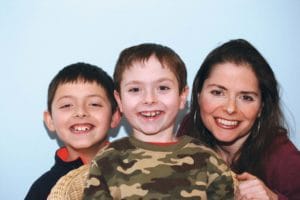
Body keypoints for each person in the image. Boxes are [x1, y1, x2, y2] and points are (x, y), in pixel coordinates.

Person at [83, 43, 235, 199]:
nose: (149, 99)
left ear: (182, 96)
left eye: (162, 88)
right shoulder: (106, 162)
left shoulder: (208, 161)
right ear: (119, 100)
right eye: (135, 89)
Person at [177, 39, 300, 200]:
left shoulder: (283, 157)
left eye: (246, 97)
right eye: (217, 93)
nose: (230, 108)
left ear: (261, 107)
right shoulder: (189, 129)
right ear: (199, 94)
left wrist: (274, 198)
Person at [25, 62, 121, 200]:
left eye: (94, 104)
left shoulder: (137, 173)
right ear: (50, 120)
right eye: (66, 105)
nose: (80, 112)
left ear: (114, 116)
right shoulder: (42, 189)